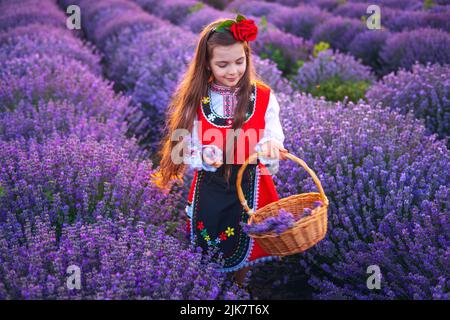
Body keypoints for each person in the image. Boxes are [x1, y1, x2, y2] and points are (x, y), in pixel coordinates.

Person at [155, 14, 287, 291]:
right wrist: (203, 155)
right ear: (207, 65)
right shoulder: (199, 98)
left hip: (250, 185)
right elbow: (184, 148)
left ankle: (237, 292)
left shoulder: (262, 96)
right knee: (209, 243)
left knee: (243, 243)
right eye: (222, 64)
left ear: (248, 57)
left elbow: (273, 135)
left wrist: (271, 147)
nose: (233, 71)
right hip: (211, 186)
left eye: (240, 62)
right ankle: (209, 290)